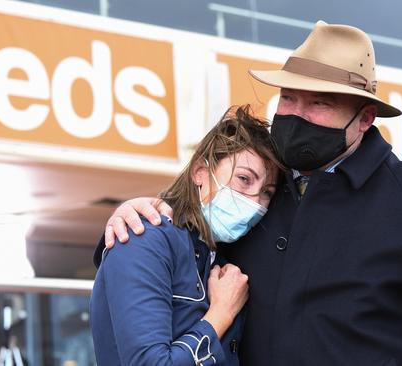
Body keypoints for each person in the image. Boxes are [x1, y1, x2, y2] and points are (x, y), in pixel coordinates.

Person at [95, 21, 402, 365]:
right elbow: (180, 255)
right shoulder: (262, 191)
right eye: (288, 97)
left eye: (319, 102)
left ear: (364, 118)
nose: (296, 114)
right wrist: (144, 213)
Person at [90, 106, 281, 365]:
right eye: (244, 179)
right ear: (200, 172)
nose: (255, 201)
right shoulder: (143, 239)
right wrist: (221, 313)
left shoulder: (220, 257)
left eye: (267, 192)